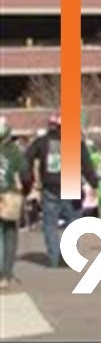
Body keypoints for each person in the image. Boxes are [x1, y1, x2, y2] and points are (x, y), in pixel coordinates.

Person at [23, 114, 98, 268]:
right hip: (71, 184)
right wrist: (94, 183)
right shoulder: (76, 143)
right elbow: (87, 164)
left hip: (50, 185)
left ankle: (54, 257)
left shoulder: (42, 142)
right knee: (73, 221)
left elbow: (27, 157)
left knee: (50, 224)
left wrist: (28, 179)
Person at [0, 117, 28, 290]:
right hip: (10, 196)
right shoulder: (14, 151)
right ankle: (5, 274)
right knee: (10, 235)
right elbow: (25, 173)